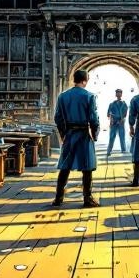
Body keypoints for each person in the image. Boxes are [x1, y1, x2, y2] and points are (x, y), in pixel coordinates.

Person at [52, 69, 100, 207]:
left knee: (65, 166)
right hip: (84, 134)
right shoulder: (90, 96)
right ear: (85, 80)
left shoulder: (62, 96)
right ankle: (87, 198)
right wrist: (95, 134)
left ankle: (58, 197)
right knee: (87, 166)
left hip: (70, 134)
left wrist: (63, 133)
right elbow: (94, 119)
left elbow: (58, 118)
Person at [106, 89, 128, 155]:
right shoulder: (112, 104)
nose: (118, 94)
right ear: (115, 94)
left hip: (121, 122)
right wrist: (111, 118)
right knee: (112, 136)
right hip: (114, 122)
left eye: (119, 93)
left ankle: (123, 150)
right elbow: (108, 113)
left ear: (121, 94)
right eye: (117, 93)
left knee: (122, 136)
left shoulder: (124, 104)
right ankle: (109, 150)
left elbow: (125, 114)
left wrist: (122, 119)